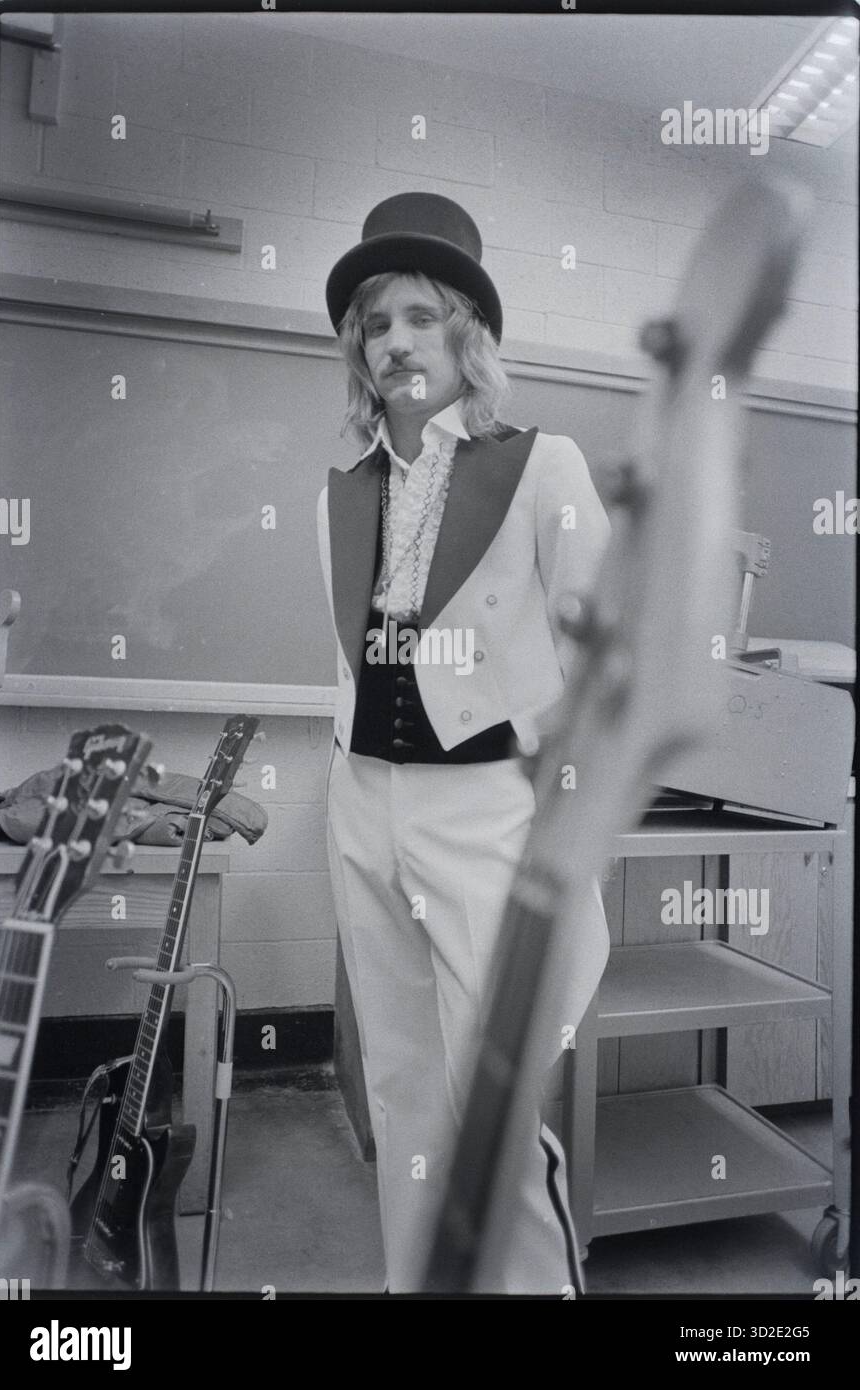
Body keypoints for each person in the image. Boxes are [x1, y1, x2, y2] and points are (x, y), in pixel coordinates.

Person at [317, 191, 611, 1293]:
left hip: (487, 809)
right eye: (376, 322)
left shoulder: (545, 465)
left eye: (422, 316)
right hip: (363, 800)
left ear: (467, 335)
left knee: (485, 1106)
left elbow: (603, 671)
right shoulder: (339, 492)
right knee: (401, 1093)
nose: (396, 340)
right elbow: (348, 662)